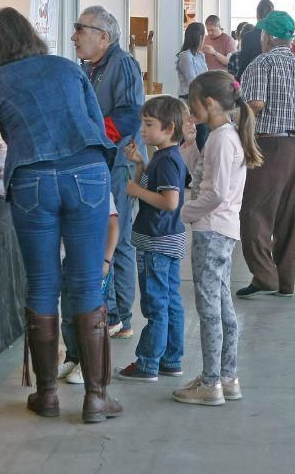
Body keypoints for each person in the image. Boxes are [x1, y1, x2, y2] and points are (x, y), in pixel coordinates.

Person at [0, 7, 121, 423]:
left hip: (32, 183)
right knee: (85, 284)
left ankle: (46, 395)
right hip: (88, 176)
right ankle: (96, 398)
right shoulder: (67, 68)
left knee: (43, 284)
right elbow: (96, 126)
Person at [174, 70, 262, 405]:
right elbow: (204, 175)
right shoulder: (219, 137)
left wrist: (184, 212)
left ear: (209, 103)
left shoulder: (223, 138)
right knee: (221, 304)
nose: (190, 109)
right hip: (217, 230)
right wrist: (188, 143)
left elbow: (217, 194)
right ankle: (226, 377)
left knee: (209, 307)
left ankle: (212, 382)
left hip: (212, 231)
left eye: (193, 103)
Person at [236, 11, 295, 298]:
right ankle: (284, 281)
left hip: (268, 147)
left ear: (266, 36)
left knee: (253, 213)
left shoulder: (261, 63)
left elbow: (254, 104)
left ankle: (265, 276)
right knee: (287, 217)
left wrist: (234, 133)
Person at [73, 5, 145, 340]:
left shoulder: (123, 64)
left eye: (80, 29)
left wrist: (94, 138)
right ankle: (114, 311)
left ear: (103, 37)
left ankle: (120, 315)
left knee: (119, 237)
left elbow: (129, 115)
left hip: (117, 162)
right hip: (101, 160)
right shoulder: (91, 67)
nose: (75, 37)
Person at [116, 96, 189, 382]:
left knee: (156, 305)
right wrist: (138, 164)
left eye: (149, 125)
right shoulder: (162, 157)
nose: (143, 130)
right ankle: (171, 359)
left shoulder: (168, 160)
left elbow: (169, 201)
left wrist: (136, 191)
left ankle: (148, 363)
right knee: (170, 302)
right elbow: (151, 184)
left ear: (169, 128)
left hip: (157, 243)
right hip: (163, 240)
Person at [57, 193, 120, 385]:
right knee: (68, 315)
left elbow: (113, 225)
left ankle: (90, 364)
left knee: (92, 317)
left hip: (95, 260)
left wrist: (106, 259)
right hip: (70, 259)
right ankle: (73, 357)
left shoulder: (100, 188)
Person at [176, 22, 209, 149]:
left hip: (201, 100)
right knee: (193, 138)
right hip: (189, 101)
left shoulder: (200, 55)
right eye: (203, 38)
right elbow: (192, 81)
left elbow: (206, 76)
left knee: (202, 136)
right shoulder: (185, 56)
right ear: (199, 37)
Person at [238, 0, 274, 73]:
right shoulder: (277, 36)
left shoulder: (248, 37)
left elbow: (243, 64)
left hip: (252, 78)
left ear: (257, 15)